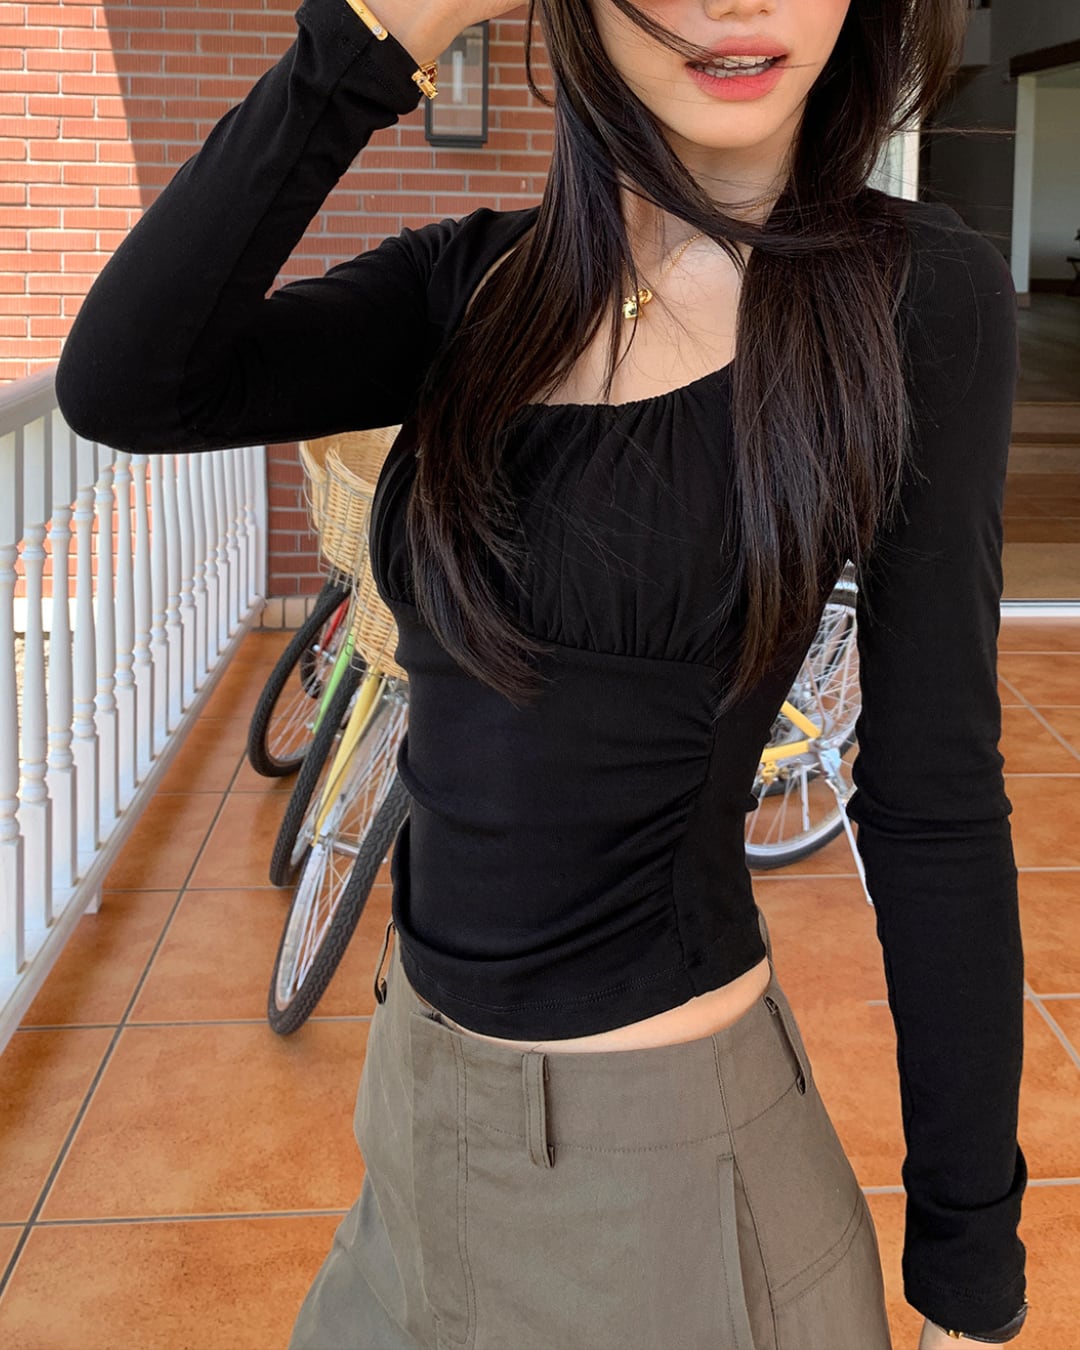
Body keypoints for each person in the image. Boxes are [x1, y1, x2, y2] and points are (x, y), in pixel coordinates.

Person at [53, 0, 1031, 1344]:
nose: (738, 3)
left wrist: (971, 1281)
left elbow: (936, 802)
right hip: (414, 1123)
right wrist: (373, 36)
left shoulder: (913, 293)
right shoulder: (477, 287)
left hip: (666, 1187)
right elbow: (129, 383)